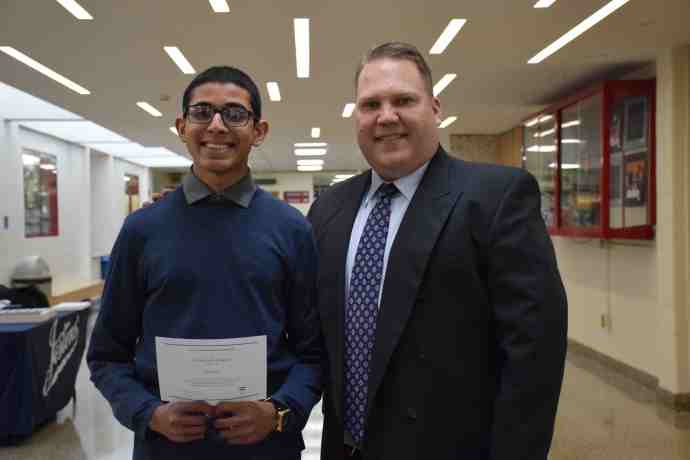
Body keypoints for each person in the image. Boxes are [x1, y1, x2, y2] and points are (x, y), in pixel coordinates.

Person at [307, 42, 568, 460]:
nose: (386, 116)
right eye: (370, 103)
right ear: (356, 116)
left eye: (403, 100)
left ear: (434, 106)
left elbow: (533, 357)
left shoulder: (496, 198)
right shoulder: (329, 210)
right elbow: (316, 338)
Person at [88, 66, 323, 460]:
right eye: (202, 113)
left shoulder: (291, 229)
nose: (216, 126)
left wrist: (279, 411)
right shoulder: (142, 230)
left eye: (234, 114)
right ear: (182, 126)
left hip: (267, 449)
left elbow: (314, 354)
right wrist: (148, 413)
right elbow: (106, 355)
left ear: (259, 131)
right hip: (165, 448)